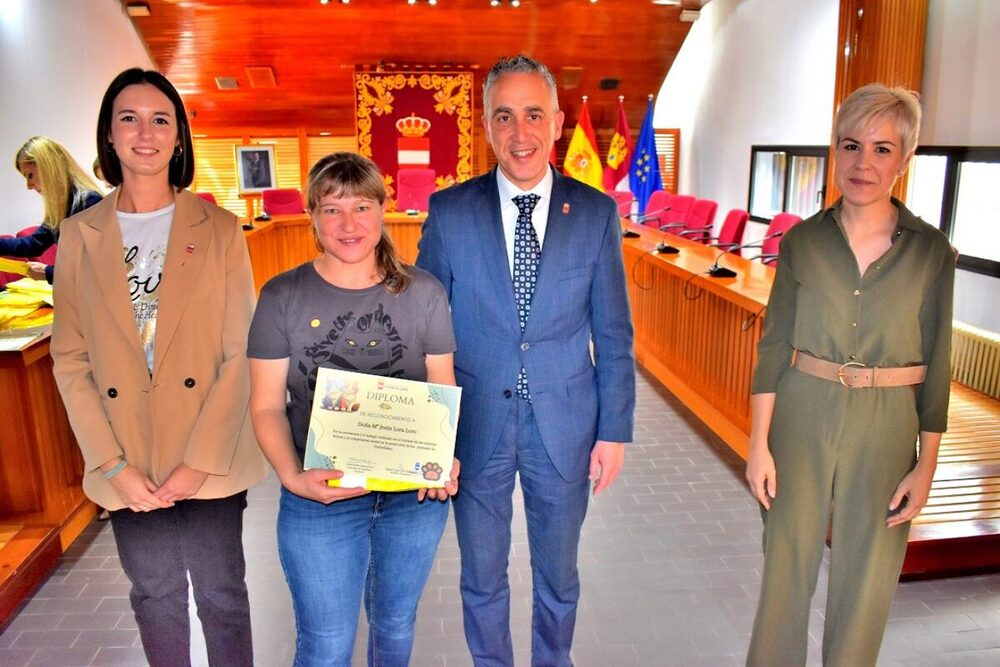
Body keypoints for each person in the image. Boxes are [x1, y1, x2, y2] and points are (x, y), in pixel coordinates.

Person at [416, 55, 636, 666]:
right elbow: (424, 328)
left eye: (534, 114)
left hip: (565, 426)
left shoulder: (595, 214)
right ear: (486, 125)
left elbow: (614, 333)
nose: (520, 132)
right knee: (481, 580)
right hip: (474, 426)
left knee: (559, 580)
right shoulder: (449, 211)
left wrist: (614, 432)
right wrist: (430, 435)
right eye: (504, 115)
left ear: (558, 122)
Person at [50, 67, 265, 667]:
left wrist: (198, 463)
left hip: (207, 452)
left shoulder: (219, 228)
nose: (145, 132)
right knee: (155, 596)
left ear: (179, 137)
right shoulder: (79, 236)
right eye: (129, 118)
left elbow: (239, 352)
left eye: (160, 119)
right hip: (128, 456)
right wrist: (111, 464)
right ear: (110, 137)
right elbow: (70, 360)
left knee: (223, 598)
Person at [744, 84, 955, 666]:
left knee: (867, 580)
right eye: (852, 145)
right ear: (834, 150)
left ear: (904, 158)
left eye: (883, 149)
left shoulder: (932, 252)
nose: (864, 163)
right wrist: (758, 444)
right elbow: (774, 346)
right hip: (803, 411)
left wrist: (927, 464)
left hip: (889, 422)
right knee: (785, 570)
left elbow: (939, 364)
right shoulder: (803, 243)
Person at [247, 151, 460, 667]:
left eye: (362, 207)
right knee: (325, 643)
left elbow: (442, 384)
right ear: (313, 218)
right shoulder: (282, 296)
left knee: (393, 627)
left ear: (383, 210)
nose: (349, 224)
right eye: (332, 209)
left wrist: (442, 454)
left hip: (411, 497)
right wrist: (292, 476)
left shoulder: (424, 292)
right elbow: (266, 406)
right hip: (320, 495)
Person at [3, 136, 102, 283]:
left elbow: (97, 267)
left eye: (30, 175)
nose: (29, 186)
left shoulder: (89, 202)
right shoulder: (61, 208)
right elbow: (34, 244)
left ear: (49, 167)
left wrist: (48, 273)